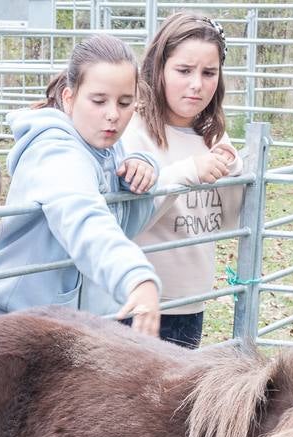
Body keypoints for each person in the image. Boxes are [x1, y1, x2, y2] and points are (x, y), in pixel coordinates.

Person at [0, 33, 162, 337]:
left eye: (125, 102)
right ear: (69, 97)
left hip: (75, 324)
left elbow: (123, 227)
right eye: (98, 100)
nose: (113, 115)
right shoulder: (56, 153)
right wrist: (136, 277)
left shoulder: (109, 149)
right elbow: (85, 219)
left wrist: (140, 178)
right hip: (21, 325)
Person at [125, 12, 244, 349]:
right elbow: (130, 219)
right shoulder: (134, 133)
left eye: (209, 73)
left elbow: (227, 222)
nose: (197, 84)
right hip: (140, 300)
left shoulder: (212, 134)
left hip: (191, 301)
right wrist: (187, 173)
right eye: (183, 71)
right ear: (158, 67)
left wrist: (234, 174)